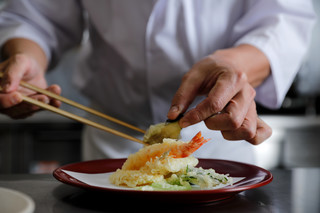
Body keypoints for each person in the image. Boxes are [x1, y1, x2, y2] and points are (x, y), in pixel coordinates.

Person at [0, 0, 316, 163]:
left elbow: (285, 19)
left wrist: (234, 64)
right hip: (113, 139)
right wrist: (26, 57)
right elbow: (35, 15)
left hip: (215, 137)